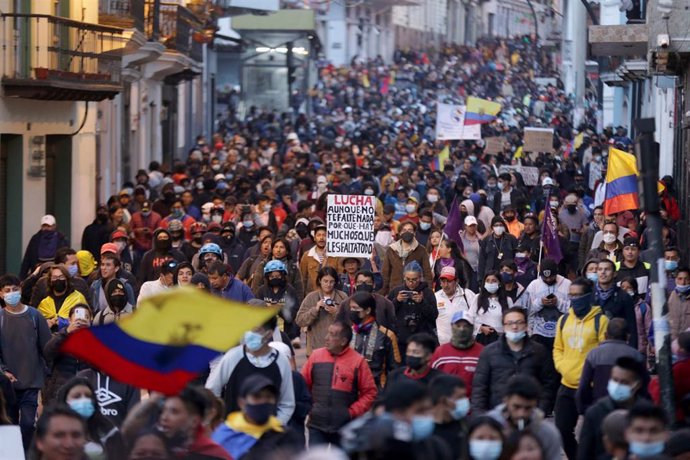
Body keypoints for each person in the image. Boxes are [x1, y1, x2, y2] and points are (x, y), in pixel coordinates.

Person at [553, 277, 609, 460]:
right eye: (571, 295)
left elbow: (604, 352)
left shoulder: (601, 321)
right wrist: (563, 367)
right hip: (567, 384)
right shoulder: (563, 320)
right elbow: (558, 348)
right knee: (562, 429)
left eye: (578, 295)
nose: (574, 299)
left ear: (588, 296)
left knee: (592, 434)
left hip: (590, 387)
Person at [205, 316, 295, 425]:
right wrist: (219, 422)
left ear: (269, 334)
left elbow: (287, 403)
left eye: (255, 330)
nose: (249, 334)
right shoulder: (233, 356)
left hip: (267, 434)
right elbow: (212, 390)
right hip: (235, 432)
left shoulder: (281, 361)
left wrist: (275, 425)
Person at [301, 321, 377, 447]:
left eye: (332, 335)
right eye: (328, 333)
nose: (326, 338)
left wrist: (351, 412)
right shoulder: (316, 356)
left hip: (345, 428)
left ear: (343, 341)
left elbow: (370, 392)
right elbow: (303, 385)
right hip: (316, 425)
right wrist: (310, 408)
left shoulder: (358, 361)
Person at [0, 274, 52, 449]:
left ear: (21, 289)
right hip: (7, 385)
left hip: (31, 382)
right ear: (1, 294)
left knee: (28, 424)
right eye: (7, 291)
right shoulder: (0, 318)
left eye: (15, 289)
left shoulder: (34, 316)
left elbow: (47, 347)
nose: (11, 293)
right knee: (10, 426)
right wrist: (3, 372)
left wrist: (46, 374)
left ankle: (27, 453)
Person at [340, 379, 453, 460]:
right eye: (420, 411)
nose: (427, 417)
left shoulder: (436, 448)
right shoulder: (365, 446)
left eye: (428, 410)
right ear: (398, 413)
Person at [472, 308, 556, 414]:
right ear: (504, 327)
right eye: (510, 323)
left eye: (519, 322)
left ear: (526, 326)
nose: (514, 327)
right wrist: (481, 416)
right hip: (497, 415)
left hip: (529, 413)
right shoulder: (489, 352)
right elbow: (480, 387)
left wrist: (541, 410)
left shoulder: (539, 352)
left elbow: (548, 385)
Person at [123, 386, 231, 459]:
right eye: (163, 411)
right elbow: (126, 433)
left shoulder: (215, 455)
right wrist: (152, 401)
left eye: (174, 412)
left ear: (194, 420)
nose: (164, 417)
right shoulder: (156, 445)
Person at [211, 374, 302, 459]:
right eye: (257, 397)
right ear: (242, 403)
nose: (263, 401)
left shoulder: (286, 436)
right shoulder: (225, 436)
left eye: (268, 397)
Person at [577, 356, 648, 460]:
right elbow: (584, 454)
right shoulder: (595, 412)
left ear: (637, 385)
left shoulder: (647, 412)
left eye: (624, 382)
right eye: (615, 380)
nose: (618, 385)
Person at [576, 318, 646, 414]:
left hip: (600, 409)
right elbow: (644, 386)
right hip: (629, 410)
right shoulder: (636, 356)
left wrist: (584, 409)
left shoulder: (594, 354)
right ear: (628, 336)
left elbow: (583, 386)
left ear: (605, 335)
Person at [487, 375, 563, 460]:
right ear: (506, 401)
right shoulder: (489, 426)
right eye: (516, 407)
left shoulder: (547, 433)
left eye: (528, 408)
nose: (521, 414)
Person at [56, 377, 125, 458]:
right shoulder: (53, 432)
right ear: (65, 402)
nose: (84, 400)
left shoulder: (108, 431)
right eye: (77, 396)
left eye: (88, 396)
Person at [348, 291, 401, 389]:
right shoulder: (348, 333)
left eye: (355, 308)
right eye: (351, 308)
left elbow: (394, 369)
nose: (352, 311)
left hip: (377, 389)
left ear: (368, 310)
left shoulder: (387, 335)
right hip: (351, 389)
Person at [42, 305, 92, 405]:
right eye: (78, 316)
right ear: (69, 320)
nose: (82, 320)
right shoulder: (60, 336)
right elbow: (48, 353)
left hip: (85, 390)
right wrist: (67, 332)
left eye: (86, 317)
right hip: (61, 390)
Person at [296, 266, 348, 355]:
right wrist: (315, 309)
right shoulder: (311, 297)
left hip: (337, 348)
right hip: (315, 348)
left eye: (331, 282)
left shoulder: (342, 297)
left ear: (335, 282)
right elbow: (299, 321)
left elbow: (350, 322)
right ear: (320, 280)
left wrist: (336, 312)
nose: (328, 285)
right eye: (325, 281)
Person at [388, 261, 438, 355]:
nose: (411, 283)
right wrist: (397, 301)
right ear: (404, 277)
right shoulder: (396, 291)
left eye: (414, 279)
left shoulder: (427, 292)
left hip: (422, 338)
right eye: (408, 279)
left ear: (420, 277)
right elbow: (388, 314)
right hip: (401, 339)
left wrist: (422, 302)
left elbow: (434, 316)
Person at [431, 311, 483, 397]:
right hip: (447, 405)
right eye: (458, 326)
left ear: (472, 328)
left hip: (474, 404)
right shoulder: (440, 352)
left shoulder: (482, 353)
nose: (461, 329)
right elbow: (433, 381)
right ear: (452, 327)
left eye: (465, 326)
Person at [595, 258, 639, 349]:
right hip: (593, 347)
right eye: (600, 269)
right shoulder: (589, 295)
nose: (603, 272)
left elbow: (631, 328)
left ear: (614, 273)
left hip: (617, 346)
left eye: (607, 269)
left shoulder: (624, 297)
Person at [381, 221, 433, 295]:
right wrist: (381, 294)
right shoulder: (391, 249)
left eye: (410, 230)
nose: (407, 232)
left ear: (414, 233)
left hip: (415, 292)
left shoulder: (421, 250)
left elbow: (427, 274)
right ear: (400, 233)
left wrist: (429, 293)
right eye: (404, 230)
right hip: (394, 291)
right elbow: (385, 274)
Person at [649, 331, 690, 424]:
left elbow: (661, 393)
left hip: (678, 416)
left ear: (682, 349)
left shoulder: (680, 369)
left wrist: (654, 382)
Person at [430, 374, 470, 460]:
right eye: (460, 397)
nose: (465, 401)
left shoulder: (466, 426)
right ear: (444, 401)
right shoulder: (423, 430)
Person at [37, 265, 88, 330]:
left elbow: (84, 322)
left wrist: (62, 322)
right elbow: (37, 324)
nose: (58, 280)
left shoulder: (78, 298)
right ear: (50, 281)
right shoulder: (44, 303)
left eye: (61, 277)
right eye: (54, 277)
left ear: (67, 279)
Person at [434, 266, 477, 345]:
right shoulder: (435, 297)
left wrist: (474, 334)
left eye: (449, 281)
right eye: (443, 281)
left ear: (456, 281)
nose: (446, 285)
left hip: (466, 344)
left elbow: (477, 317)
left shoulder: (468, 295)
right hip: (443, 346)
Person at [20, 214, 69, 279]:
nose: (46, 228)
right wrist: (22, 277)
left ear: (54, 226)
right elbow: (27, 258)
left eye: (48, 226)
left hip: (56, 273)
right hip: (38, 273)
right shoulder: (35, 239)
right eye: (44, 226)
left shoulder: (61, 239)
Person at [473, 271, 513, 345]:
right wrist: (481, 328)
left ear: (499, 283)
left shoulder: (508, 300)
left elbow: (511, 321)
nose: (490, 283)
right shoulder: (478, 298)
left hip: (500, 340)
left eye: (494, 281)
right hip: (482, 339)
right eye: (487, 281)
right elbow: (470, 318)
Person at [299, 224, 339, 293]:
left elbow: (339, 278)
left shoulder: (335, 256)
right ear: (314, 238)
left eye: (324, 235)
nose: (321, 238)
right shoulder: (307, 256)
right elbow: (302, 279)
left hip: (331, 295)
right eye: (319, 235)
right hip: (312, 295)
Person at [478, 216, 518, 281]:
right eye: (496, 225)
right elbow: (482, 261)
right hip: (491, 276)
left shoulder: (511, 239)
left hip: (507, 275)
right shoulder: (486, 241)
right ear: (492, 227)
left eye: (501, 225)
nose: (498, 227)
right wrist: (480, 279)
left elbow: (516, 257)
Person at [669, 267, 690, 341]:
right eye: (680, 279)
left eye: (686, 279)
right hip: (673, 343)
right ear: (675, 280)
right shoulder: (671, 297)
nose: (683, 282)